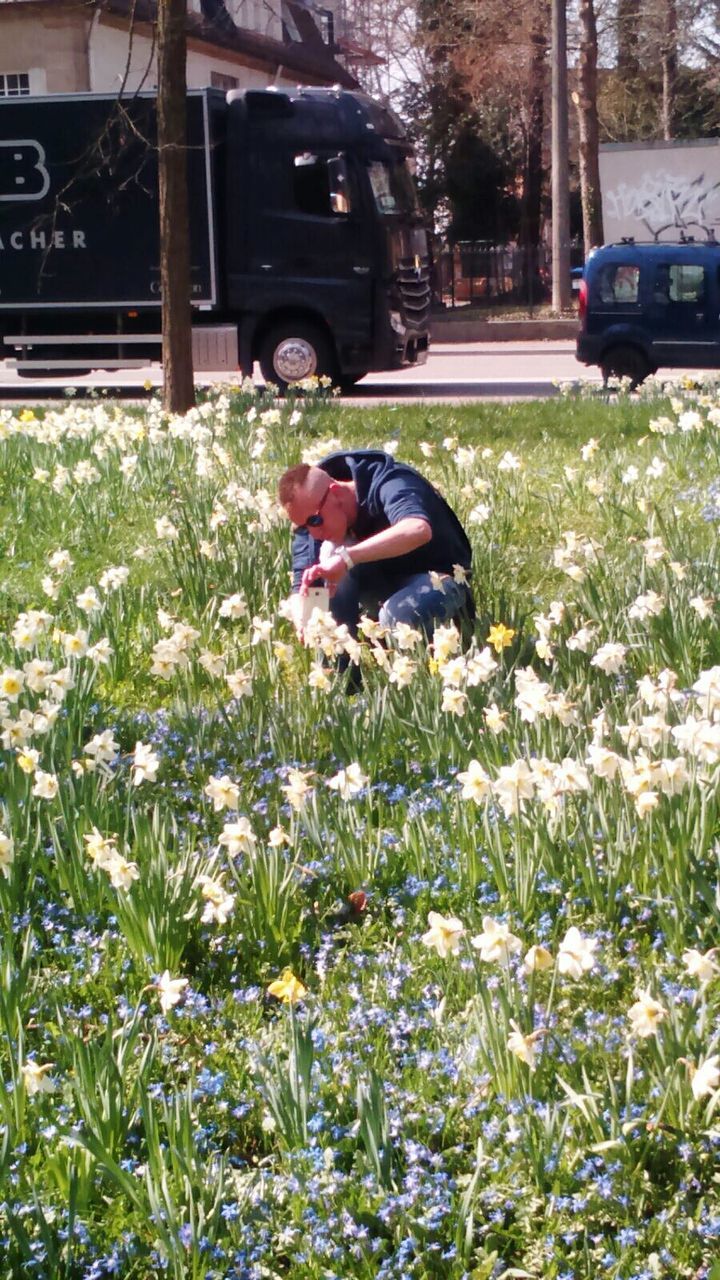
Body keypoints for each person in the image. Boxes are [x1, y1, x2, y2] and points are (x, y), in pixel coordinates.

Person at [278, 449, 474, 641]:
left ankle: (415, 662)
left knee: (398, 617)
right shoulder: (311, 507)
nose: (313, 533)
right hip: (381, 587)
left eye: (315, 521)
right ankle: (339, 670)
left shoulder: (390, 481)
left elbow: (418, 529)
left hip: (440, 579)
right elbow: (301, 584)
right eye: (304, 526)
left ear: (336, 493)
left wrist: (346, 558)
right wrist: (303, 619)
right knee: (325, 567)